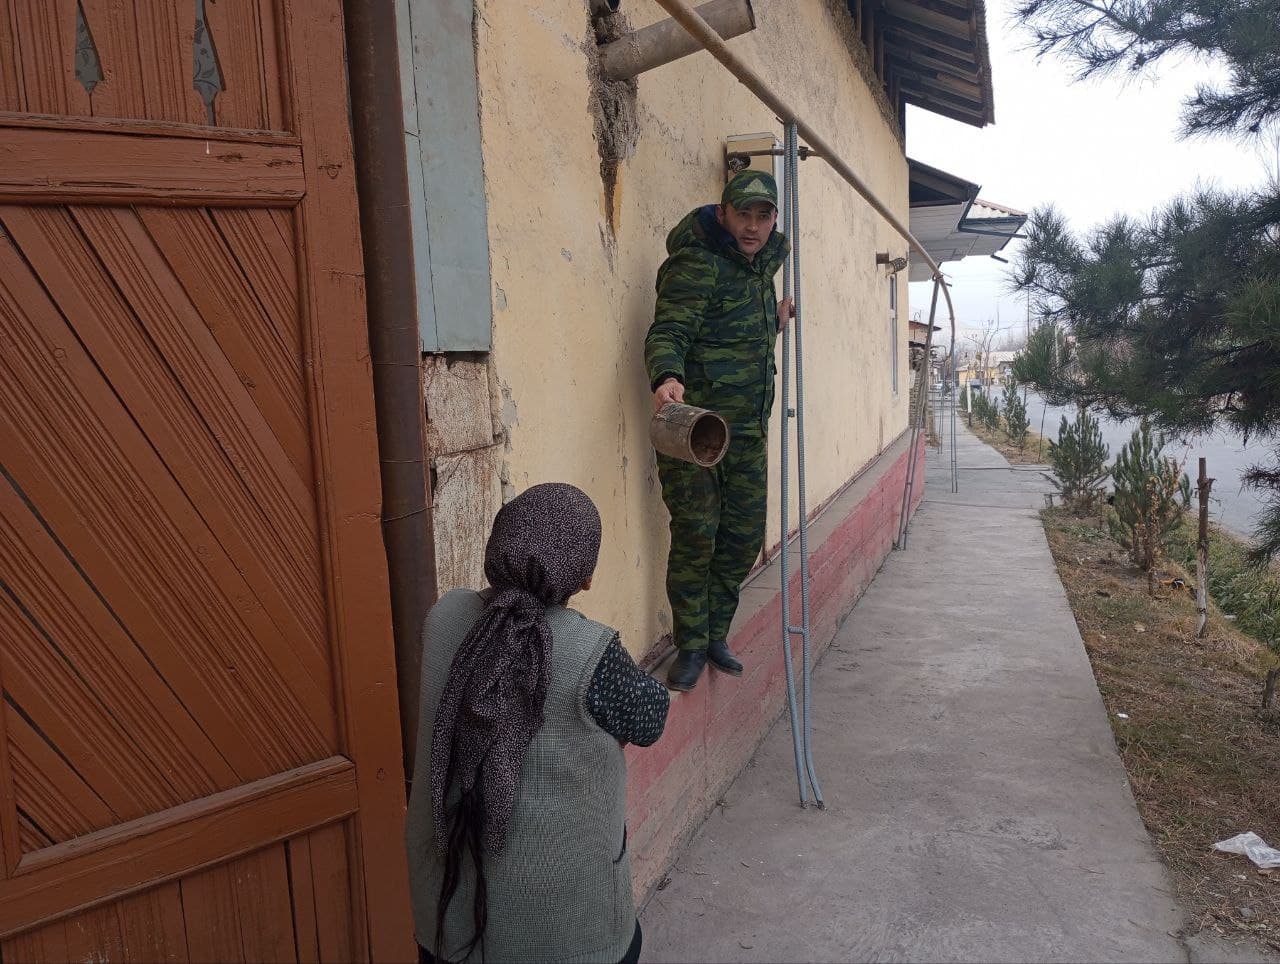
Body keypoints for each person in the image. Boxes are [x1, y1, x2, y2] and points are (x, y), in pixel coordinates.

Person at [405, 482, 670, 964]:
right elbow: (651, 718)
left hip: (447, 910)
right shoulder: (593, 653)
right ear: (584, 579)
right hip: (564, 927)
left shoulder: (443, 619)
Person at [645, 169, 794, 692]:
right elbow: (671, 329)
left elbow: (731, 332)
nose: (752, 226)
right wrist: (666, 376)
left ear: (773, 219)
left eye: (763, 215)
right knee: (697, 534)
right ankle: (689, 644)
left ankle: (715, 635)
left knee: (741, 535)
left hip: (747, 433)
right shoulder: (697, 264)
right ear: (724, 213)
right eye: (743, 214)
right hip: (698, 433)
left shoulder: (759, 271)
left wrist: (773, 320)